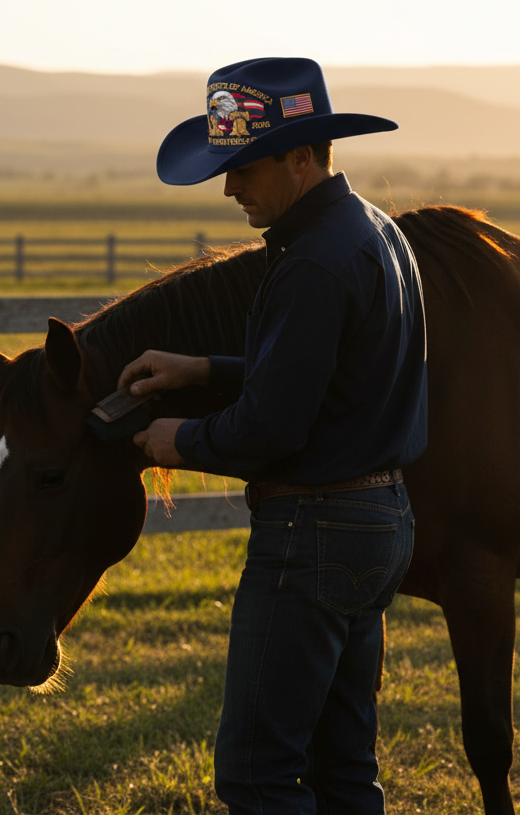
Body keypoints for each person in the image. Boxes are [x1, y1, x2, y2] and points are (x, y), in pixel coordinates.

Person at [118, 57, 428, 814]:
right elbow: (327, 374)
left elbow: (273, 426)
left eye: (244, 168)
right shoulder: (373, 232)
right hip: (378, 518)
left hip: (311, 531)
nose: (230, 188)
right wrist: (202, 369)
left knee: (257, 775)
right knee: (344, 764)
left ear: (300, 157)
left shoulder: (311, 263)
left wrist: (177, 442)